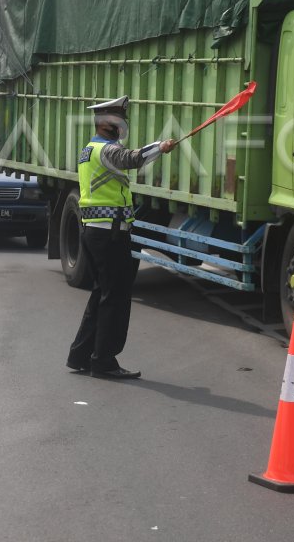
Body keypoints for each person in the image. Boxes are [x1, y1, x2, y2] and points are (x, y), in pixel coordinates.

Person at [67, 96, 176, 379]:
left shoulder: (89, 149)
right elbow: (131, 159)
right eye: (117, 119)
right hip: (110, 234)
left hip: (95, 231)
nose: (121, 124)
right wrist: (160, 147)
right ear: (105, 122)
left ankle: (81, 355)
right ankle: (103, 361)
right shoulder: (107, 150)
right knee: (114, 298)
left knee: (101, 295)